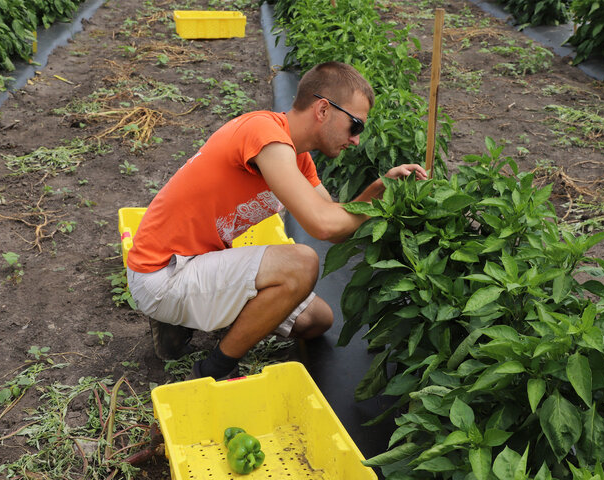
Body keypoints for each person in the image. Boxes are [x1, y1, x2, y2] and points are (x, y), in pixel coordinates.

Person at [125, 61, 427, 380]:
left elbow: (335, 223)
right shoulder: (263, 133)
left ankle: (189, 318)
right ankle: (213, 368)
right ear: (323, 109)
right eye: (356, 126)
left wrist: (378, 190)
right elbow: (322, 225)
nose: (355, 140)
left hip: (200, 262)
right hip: (162, 273)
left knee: (316, 320)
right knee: (302, 264)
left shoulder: (298, 158)